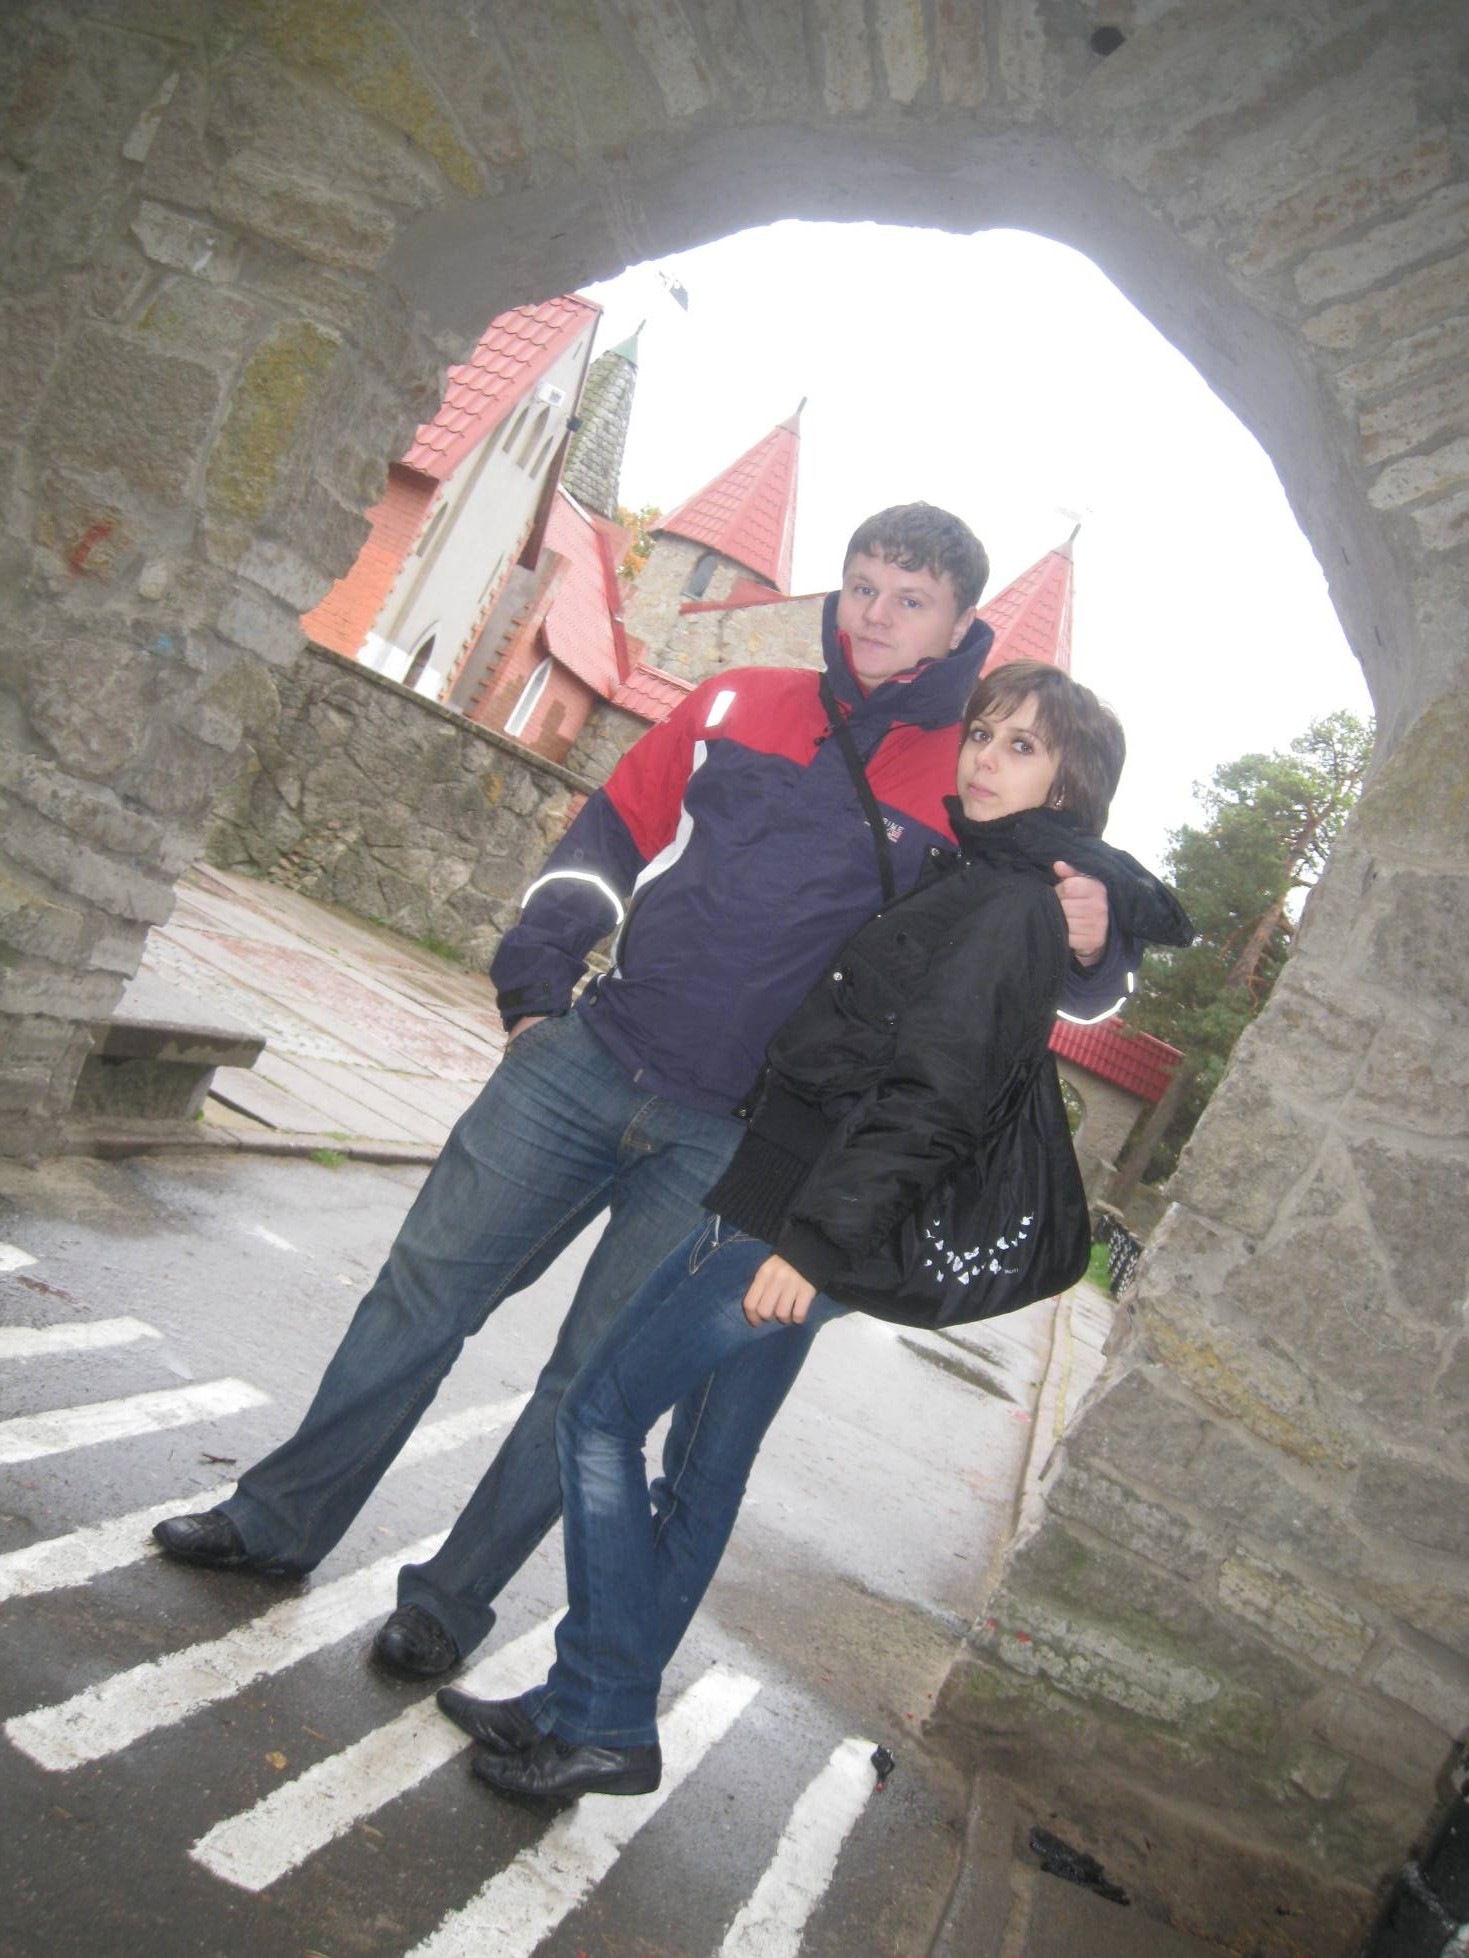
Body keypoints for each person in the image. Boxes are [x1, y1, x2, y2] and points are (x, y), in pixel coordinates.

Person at [153, 507, 1135, 1682]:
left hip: (733, 1142)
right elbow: (608, 834)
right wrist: (534, 991)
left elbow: (1044, 938)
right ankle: (275, 1520)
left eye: (908, 598)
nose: (874, 613)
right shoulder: (736, 701)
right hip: (585, 1062)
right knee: (416, 1296)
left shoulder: (973, 782)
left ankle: (447, 1606)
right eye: (862, 583)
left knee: (584, 1383)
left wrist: (1096, 946)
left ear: (960, 622)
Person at [450, 659, 1191, 1803]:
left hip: (796, 1214)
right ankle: (582, 1703)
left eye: (1021, 745)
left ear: (1069, 783)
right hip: (789, 1191)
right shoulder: (983, 873)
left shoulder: (1007, 904)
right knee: (701, 1466)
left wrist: (811, 1245)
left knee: (598, 1413)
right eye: (981, 732)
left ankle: (598, 1711)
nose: (983, 757)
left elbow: (934, 1096)